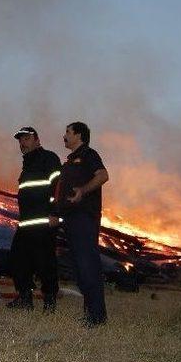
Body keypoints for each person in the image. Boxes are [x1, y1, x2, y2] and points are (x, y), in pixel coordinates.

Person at [52, 122, 109, 327]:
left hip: (84, 217)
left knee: (87, 264)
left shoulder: (88, 154)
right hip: (70, 218)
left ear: (79, 135)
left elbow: (103, 175)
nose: (64, 136)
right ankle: (90, 312)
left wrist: (83, 191)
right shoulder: (68, 162)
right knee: (78, 266)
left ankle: (96, 316)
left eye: (68, 132)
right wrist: (56, 214)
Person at [7, 126, 61, 313]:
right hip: (26, 223)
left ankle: (49, 301)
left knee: (45, 262)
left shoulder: (49, 158)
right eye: (20, 140)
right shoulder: (27, 165)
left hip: (44, 222)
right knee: (18, 259)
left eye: (27, 138)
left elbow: (58, 187)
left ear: (37, 140)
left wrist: (55, 213)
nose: (22, 143)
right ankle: (25, 298)